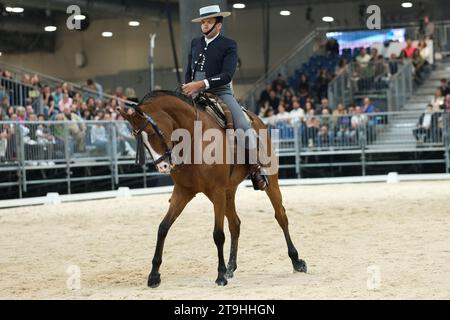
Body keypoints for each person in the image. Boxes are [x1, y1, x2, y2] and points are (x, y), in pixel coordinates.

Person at [182, 4, 267, 190]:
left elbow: (227, 75)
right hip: (194, 91)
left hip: (221, 92)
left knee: (244, 125)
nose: (205, 25)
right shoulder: (195, 43)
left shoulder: (228, 45)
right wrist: (189, 86)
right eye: (203, 22)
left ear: (218, 25)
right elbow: (189, 71)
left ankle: (255, 168)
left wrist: (201, 84)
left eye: (209, 22)